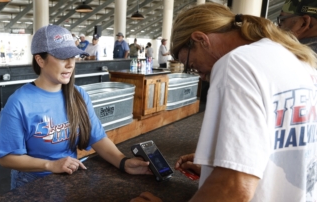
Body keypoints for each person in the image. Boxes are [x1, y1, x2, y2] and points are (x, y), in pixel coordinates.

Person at [131, 3, 317, 202]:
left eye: (193, 66)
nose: (201, 76)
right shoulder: (295, 58)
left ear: (200, 39)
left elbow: (233, 189)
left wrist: (223, 178)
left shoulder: (235, 63)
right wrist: (220, 166)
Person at [0, 25, 151, 190]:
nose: (70, 64)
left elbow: (97, 137)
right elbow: (6, 157)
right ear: (40, 60)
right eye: (62, 57)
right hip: (31, 186)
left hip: (68, 182)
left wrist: (123, 162)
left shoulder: (78, 95)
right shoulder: (19, 103)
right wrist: (50, 165)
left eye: (73, 56)